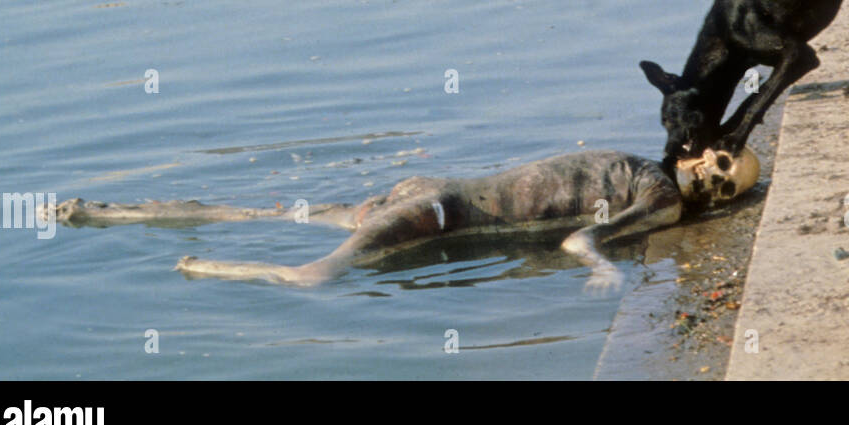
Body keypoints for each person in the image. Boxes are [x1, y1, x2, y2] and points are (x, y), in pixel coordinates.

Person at [41, 146, 759, 292]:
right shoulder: (661, 198)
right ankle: (210, 268)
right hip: (441, 215)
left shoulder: (637, 166)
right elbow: (579, 238)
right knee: (316, 277)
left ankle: (108, 215)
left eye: (725, 190)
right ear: (706, 154)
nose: (717, 187)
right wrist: (603, 269)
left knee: (265, 210)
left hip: (434, 189)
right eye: (726, 168)